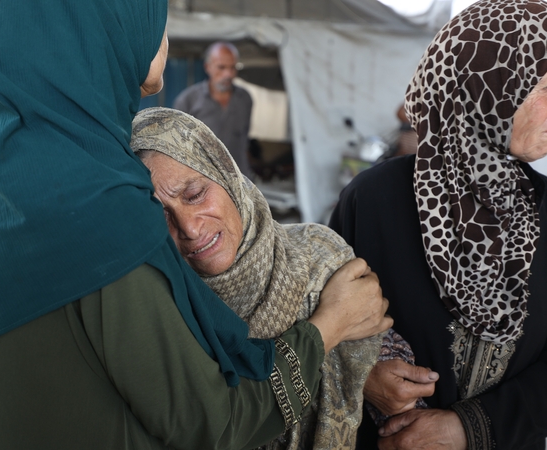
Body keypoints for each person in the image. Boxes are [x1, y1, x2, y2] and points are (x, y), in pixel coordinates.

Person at [0, 1, 390, 448]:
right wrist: (329, 327)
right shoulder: (93, 202)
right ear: (104, 25)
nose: (160, 33)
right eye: (150, 14)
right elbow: (211, 421)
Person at [329, 1, 547, 449]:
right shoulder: (374, 199)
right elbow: (325, 325)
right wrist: (363, 375)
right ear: (486, 87)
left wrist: (465, 428)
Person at [132, 107, 406, 449]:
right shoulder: (149, 304)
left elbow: (387, 358)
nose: (189, 227)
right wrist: (331, 328)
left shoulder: (319, 255)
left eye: (195, 195)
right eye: (161, 216)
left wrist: (367, 374)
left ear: (226, 175)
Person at [173, 41, 255, 179]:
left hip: (239, 178)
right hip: (202, 178)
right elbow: (177, 146)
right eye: (221, 67)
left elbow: (243, 140)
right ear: (207, 67)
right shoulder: (188, 100)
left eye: (233, 67)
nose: (228, 74)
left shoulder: (245, 99)